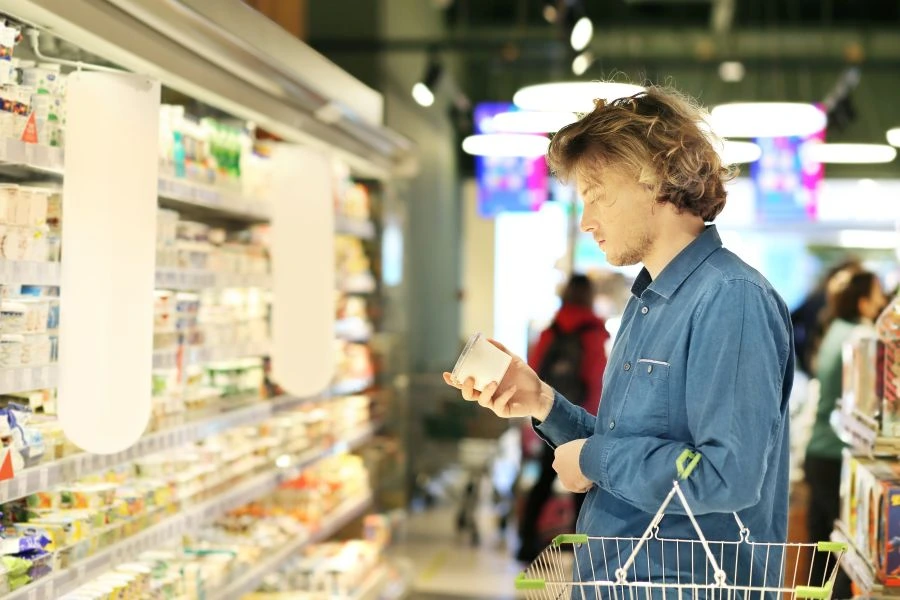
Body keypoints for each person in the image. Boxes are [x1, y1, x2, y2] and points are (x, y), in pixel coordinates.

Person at [443, 85, 794, 597]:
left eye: (596, 194)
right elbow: (629, 443)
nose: (586, 221)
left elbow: (726, 476)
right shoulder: (649, 301)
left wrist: (593, 460)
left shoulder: (731, 298)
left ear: (653, 177)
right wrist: (543, 402)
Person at [805, 268, 886, 598]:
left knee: (822, 554)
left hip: (818, 450)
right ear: (863, 302)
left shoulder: (835, 329)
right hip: (837, 453)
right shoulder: (862, 337)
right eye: (878, 295)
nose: (883, 302)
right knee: (847, 558)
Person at [516, 273, 608, 563]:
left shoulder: (551, 331)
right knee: (583, 488)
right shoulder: (593, 333)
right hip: (583, 418)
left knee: (544, 479)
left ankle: (526, 542)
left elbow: (534, 374)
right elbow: (598, 380)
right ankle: (584, 550)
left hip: (551, 416)